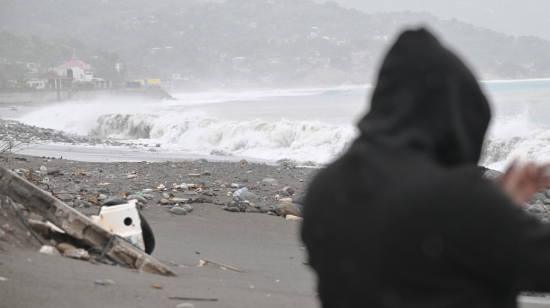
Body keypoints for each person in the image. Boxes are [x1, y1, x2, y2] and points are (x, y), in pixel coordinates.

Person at [301, 28, 550, 308]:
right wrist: (490, 210)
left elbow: (407, 251)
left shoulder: (324, 189)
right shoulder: (459, 200)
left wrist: (497, 208)